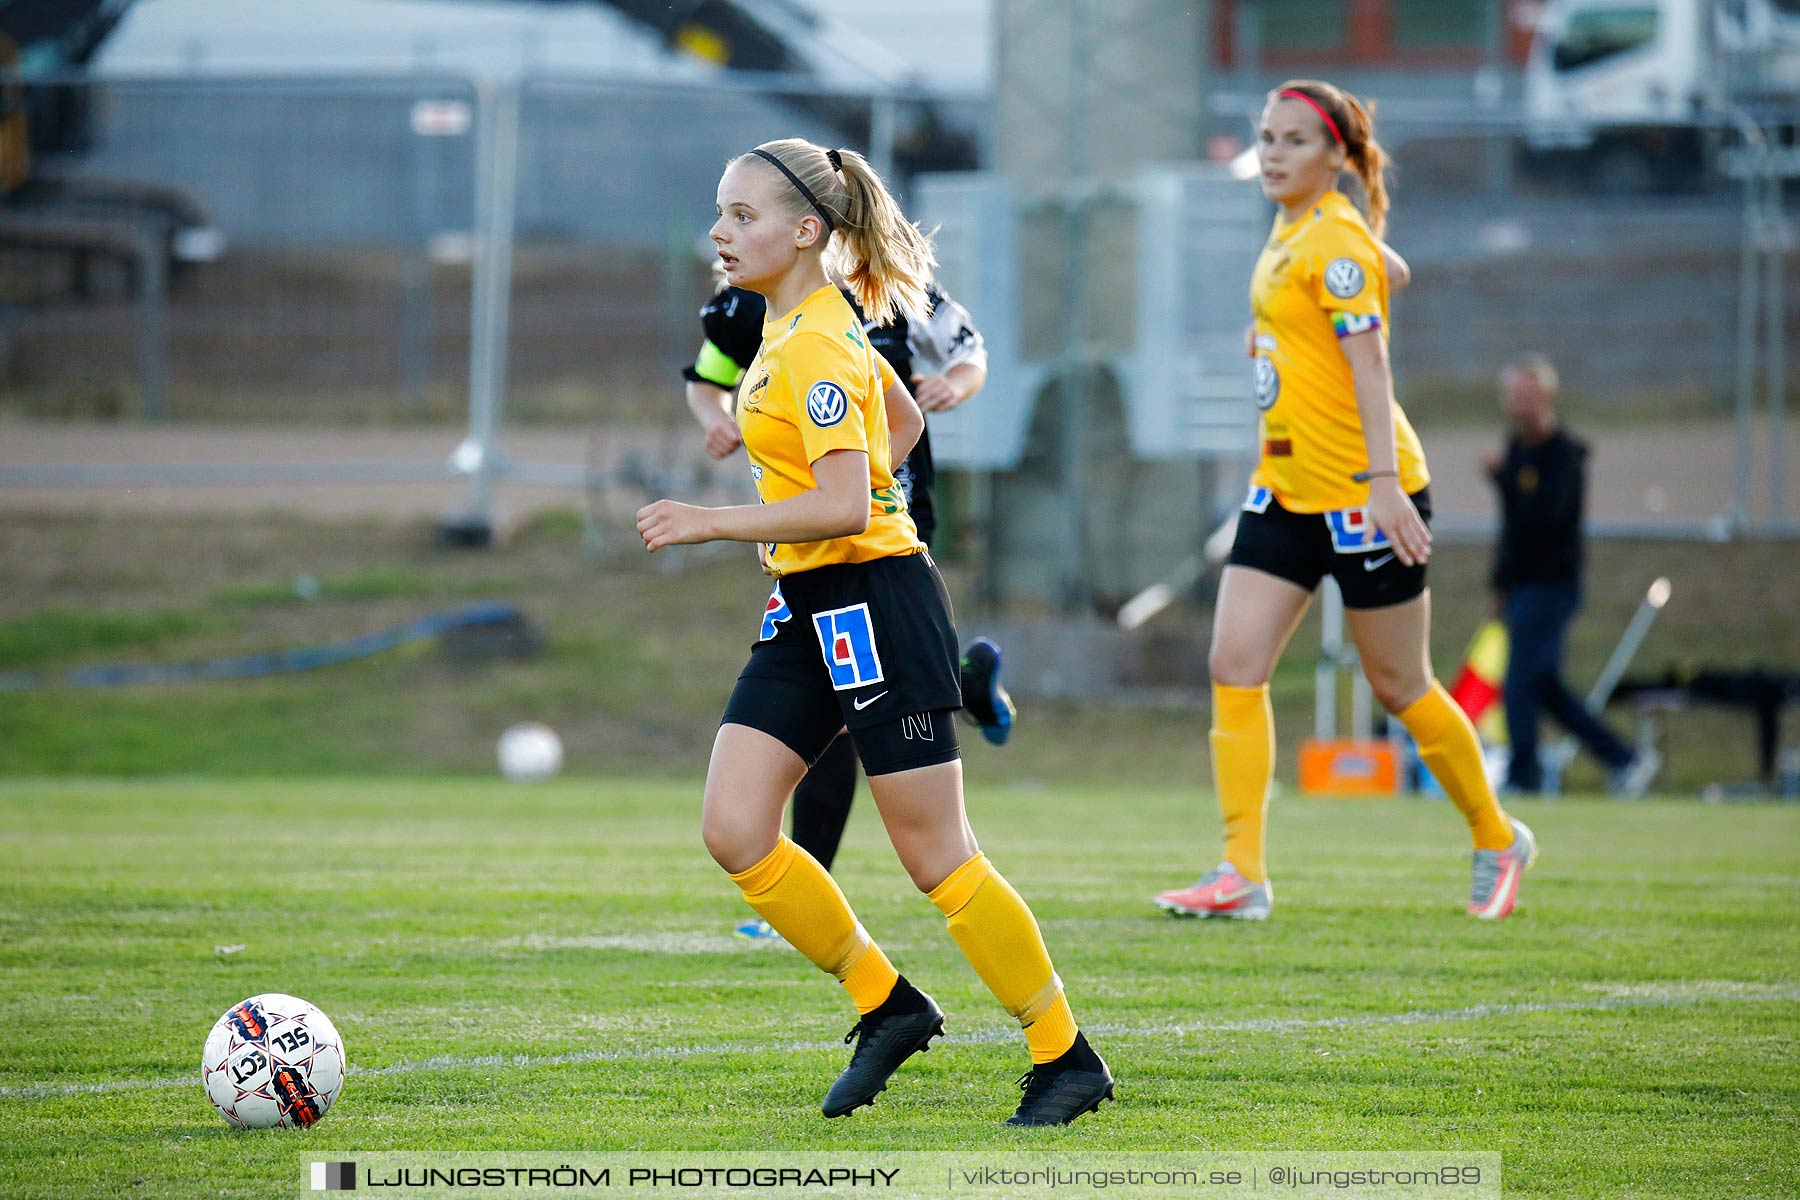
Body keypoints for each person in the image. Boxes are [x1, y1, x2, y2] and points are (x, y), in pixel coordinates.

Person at [637, 138, 1112, 1125]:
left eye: (744, 217)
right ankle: (888, 1004)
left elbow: (848, 501)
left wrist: (713, 519)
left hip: (875, 602)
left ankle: (1065, 1056)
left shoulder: (812, 338)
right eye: (721, 214)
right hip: (807, 607)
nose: (722, 234)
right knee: (734, 829)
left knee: (937, 856)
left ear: (806, 231)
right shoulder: (796, 324)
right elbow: (898, 418)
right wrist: (814, 532)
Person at [1154, 79, 1539, 923]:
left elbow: (1371, 368)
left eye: (1295, 139)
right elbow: (1374, 267)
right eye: (1266, 137)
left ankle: (1495, 836)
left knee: (1402, 686)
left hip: (1365, 493)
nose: (1275, 153)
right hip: (1284, 493)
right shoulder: (1307, 229)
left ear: (1336, 154)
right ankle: (1241, 873)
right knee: (1234, 665)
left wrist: (1384, 487)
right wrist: (1372, 251)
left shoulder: (1329, 239)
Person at [681, 272, 1016, 942]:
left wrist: (957, 385)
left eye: (745, 213)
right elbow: (706, 374)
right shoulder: (751, 305)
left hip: (884, 519)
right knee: (830, 704)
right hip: (804, 531)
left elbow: (966, 355)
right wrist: (716, 419)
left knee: (850, 703)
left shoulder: (891, 290)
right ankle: (963, 686)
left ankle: (809, 897)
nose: (728, 233)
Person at [1484, 354, 1658, 795]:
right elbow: (1512, 532)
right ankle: (1625, 759)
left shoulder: (1564, 455)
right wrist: (1500, 585)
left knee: (1520, 683)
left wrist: (1503, 480)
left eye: (1528, 395)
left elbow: (1546, 518)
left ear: (1548, 397)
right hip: (1522, 587)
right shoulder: (1516, 450)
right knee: (1544, 687)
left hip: (1553, 586)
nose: (1519, 404)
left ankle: (1523, 778)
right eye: (1514, 396)